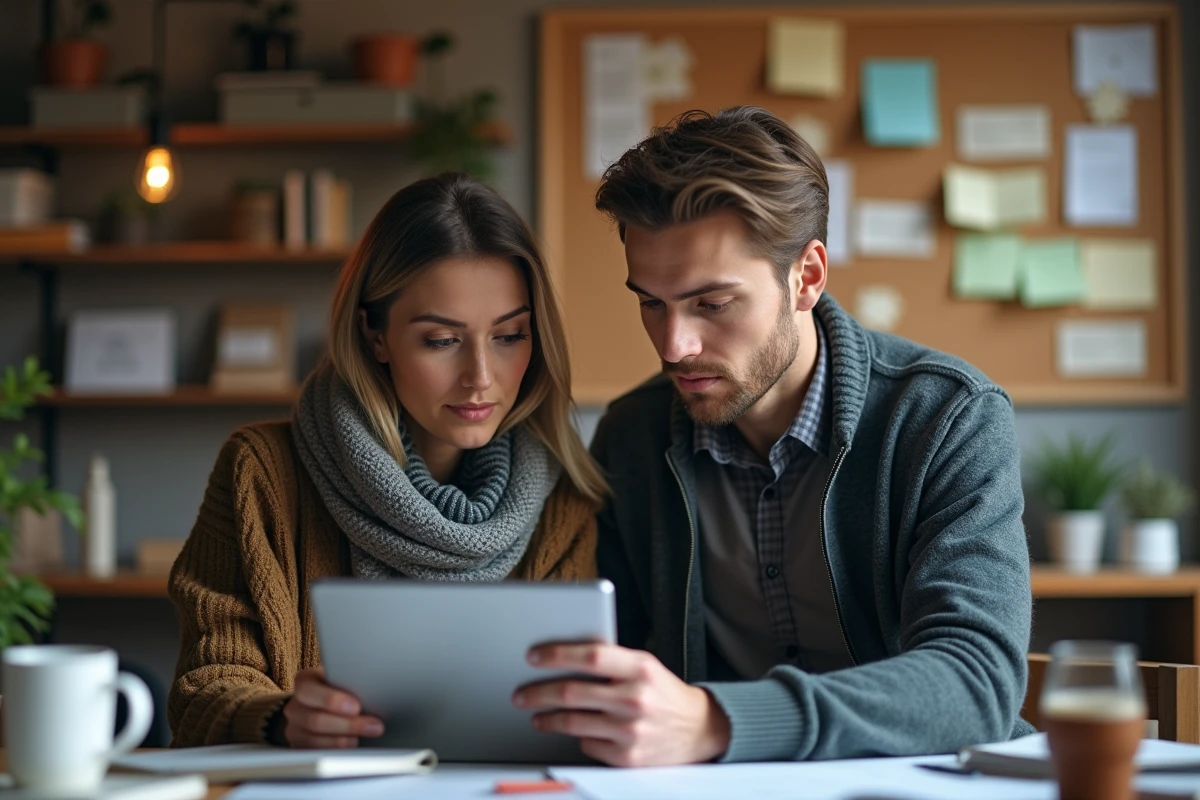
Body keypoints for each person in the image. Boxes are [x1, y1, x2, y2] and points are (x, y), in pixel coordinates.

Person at [513, 107, 1033, 765]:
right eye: (651, 302)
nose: (675, 345)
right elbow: (599, 660)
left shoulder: (944, 418)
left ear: (806, 277)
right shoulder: (633, 436)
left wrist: (720, 722)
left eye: (712, 303)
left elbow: (977, 684)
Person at [168, 173, 606, 748]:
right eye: (441, 340)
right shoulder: (261, 472)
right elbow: (204, 686)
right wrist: (278, 717)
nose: (480, 377)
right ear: (375, 337)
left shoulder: (562, 499)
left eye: (509, 336)